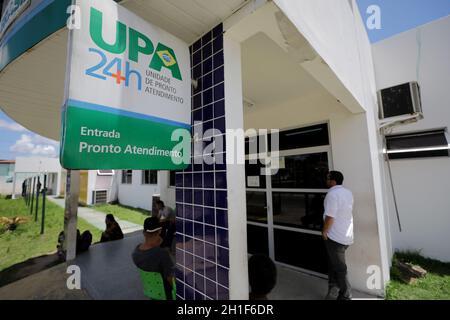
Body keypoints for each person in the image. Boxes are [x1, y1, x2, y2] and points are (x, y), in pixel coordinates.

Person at [322, 171, 354, 300]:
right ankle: (333, 288)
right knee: (333, 263)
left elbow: (330, 217)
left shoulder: (332, 194)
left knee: (340, 267)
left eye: (327, 178)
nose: (326, 180)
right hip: (346, 236)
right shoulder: (348, 192)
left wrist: (324, 231)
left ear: (333, 181)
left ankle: (346, 294)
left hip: (335, 236)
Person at [132, 217, 175, 300]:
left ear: (144, 233)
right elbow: (170, 278)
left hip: (151, 291)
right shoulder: (162, 254)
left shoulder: (135, 252)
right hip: (166, 293)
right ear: (159, 231)